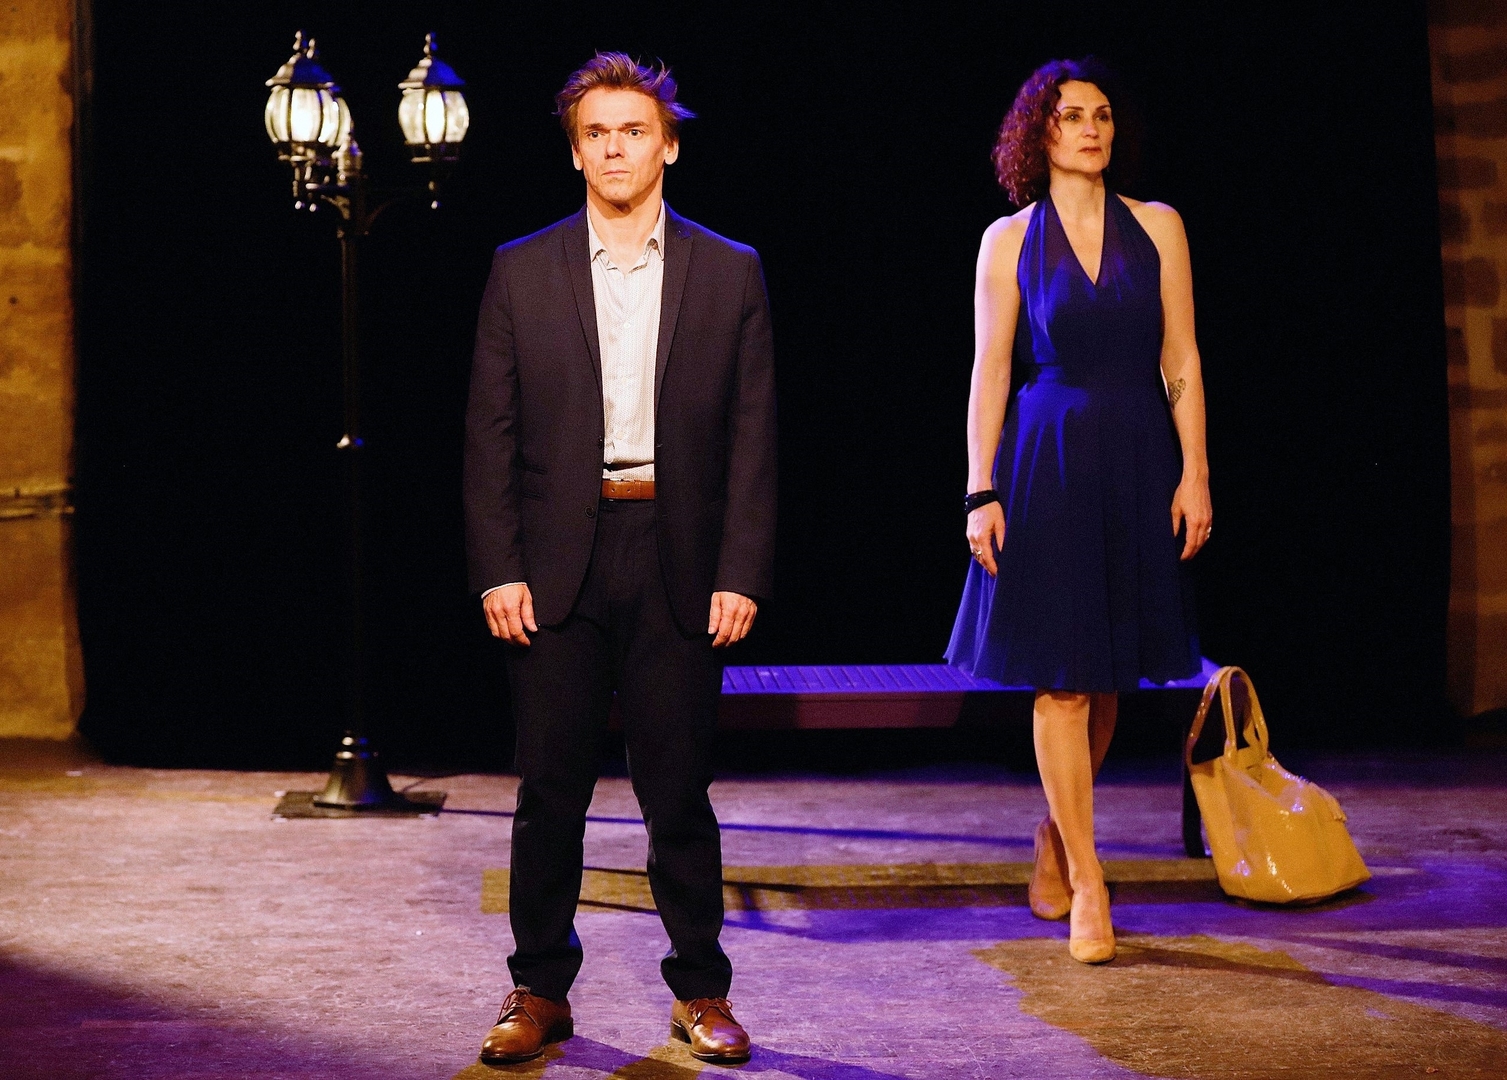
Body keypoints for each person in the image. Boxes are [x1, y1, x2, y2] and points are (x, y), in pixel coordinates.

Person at [463, 52, 776, 1064]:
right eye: (595, 133)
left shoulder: (729, 270)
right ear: (574, 152)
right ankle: (538, 990)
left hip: (677, 554)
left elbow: (753, 435)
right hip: (558, 559)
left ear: (667, 146)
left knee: (676, 790)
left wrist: (740, 570)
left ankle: (701, 991)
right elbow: (491, 432)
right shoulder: (522, 268)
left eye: (633, 131)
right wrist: (498, 566)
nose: (613, 148)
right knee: (548, 789)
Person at [946, 58, 1210, 964]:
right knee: (1059, 678)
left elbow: (1181, 356)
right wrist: (979, 487)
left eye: (1100, 115)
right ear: (1039, 132)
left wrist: (1195, 471)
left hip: (1136, 452)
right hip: (1047, 457)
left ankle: (1056, 838)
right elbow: (989, 370)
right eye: (1069, 116)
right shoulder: (1008, 239)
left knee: (1104, 680)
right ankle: (1091, 883)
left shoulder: (1159, 225)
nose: (1090, 129)